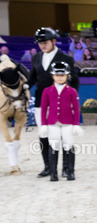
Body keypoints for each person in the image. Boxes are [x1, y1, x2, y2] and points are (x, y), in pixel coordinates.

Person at [27, 28, 78, 179]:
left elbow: (74, 80)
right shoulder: (36, 58)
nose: (42, 45)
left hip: (62, 103)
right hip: (41, 103)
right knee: (43, 135)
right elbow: (33, 77)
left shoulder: (65, 58)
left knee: (64, 135)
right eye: (40, 43)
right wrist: (25, 86)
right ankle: (48, 167)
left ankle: (67, 168)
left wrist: (72, 99)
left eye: (45, 42)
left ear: (54, 41)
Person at [39, 60, 81, 181]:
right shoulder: (47, 91)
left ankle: (70, 171)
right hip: (53, 123)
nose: (60, 77)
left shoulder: (72, 91)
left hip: (68, 122)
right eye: (57, 75)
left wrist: (76, 124)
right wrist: (43, 124)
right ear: (53, 76)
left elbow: (76, 109)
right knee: (54, 145)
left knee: (68, 145)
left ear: (67, 76)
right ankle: (53, 173)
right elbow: (44, 108)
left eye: (62, 75)